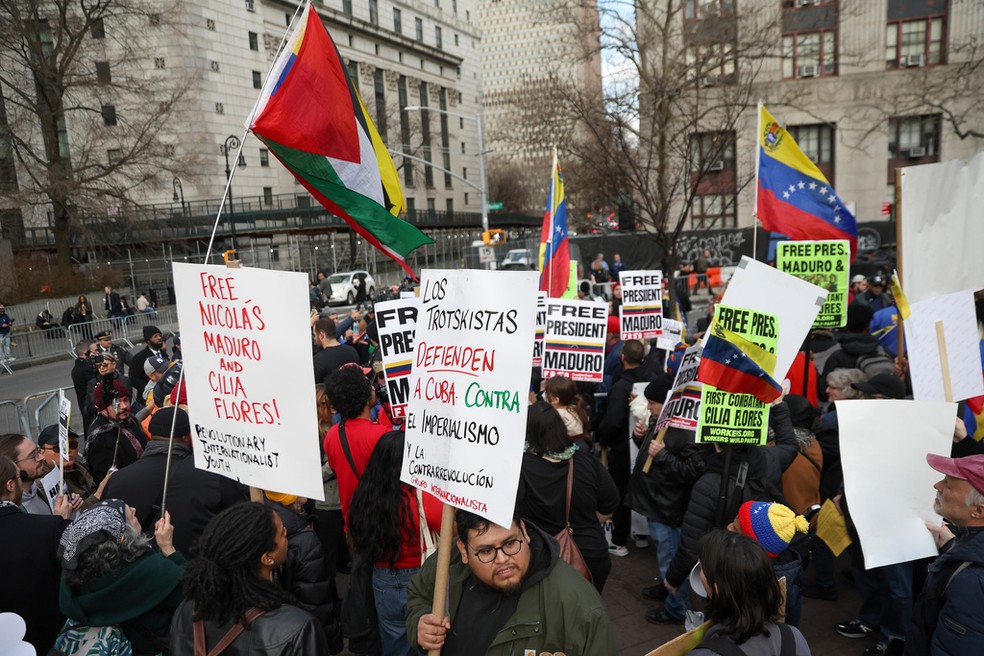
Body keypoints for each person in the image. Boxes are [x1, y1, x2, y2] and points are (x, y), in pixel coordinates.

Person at [406, 509, 617, 655]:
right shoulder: (447, 561)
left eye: (510, 543)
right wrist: (420, 623)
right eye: (486, 551)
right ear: (463, 550)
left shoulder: (579, 604)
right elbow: (419, 595)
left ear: (524, 532)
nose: (502, 559)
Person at [170, 502, 328, 655]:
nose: (286, 533)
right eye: (281, 533)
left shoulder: (188, 609)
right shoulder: (297, 629)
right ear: (267, 557)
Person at [103, 407, 249, 555]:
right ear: (186, 437)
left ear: (152, 435)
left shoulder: (117, 480)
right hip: (197, 569)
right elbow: (244, 519)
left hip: (138, 571)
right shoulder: (214, 475)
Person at [348, 431, 442, 655]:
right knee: (425, 638)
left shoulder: (366, 495)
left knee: (393, 638)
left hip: (382, 577)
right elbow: (445, 525)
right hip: (419, 576)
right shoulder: (421, 497)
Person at [627, 376, 708, 622]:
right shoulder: (664, 420)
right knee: (666, 554)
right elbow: (653, 448)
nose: (648, 406)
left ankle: (677, 607)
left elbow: (694, 471)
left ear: (667, 403)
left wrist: (662, 455)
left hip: (668, 507)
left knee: (670, 556)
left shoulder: (686, 431)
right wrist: (640, 437)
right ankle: (667, 588)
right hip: (657, 502)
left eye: (653, 402)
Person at [58, 500, 184, 653]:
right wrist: (169, 549)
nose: (134, 508)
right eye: (130, 514)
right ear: (123, 538)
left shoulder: (75, 580)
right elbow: (196, 596)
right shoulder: (155, 571)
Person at [518, 402, 620, 591]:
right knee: (588, 614)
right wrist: (586, 518)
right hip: (591, 555)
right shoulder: (586, 460)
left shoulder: (519, 467)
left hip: (541, 558)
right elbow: (610, 505)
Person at [905, 453, 984, 655]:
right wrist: (952, 545)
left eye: (948, 485)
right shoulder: (969, 551)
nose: (937, 486)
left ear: (978, 510)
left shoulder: (971, 581)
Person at [686, 530, 811, 656]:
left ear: (717, 589)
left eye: (702, 568)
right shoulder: (792, 637)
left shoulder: (704, 654)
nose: (699, 571)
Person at [0, 455, 71, 653]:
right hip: (49, 640)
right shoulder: (50, 528)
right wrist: (62, 523)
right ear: (11, 485)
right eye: (19, 477)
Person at [264, 491, 342, 652]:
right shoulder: (303, 539)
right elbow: (316, 604)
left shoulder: (260, 519)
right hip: (302, 639)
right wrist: (329, 644)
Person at [599, 339, 655, 556]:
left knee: (620, 494)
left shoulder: (621, 386)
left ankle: (619, 540)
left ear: (622, 356)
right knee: (643, 487)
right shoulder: (652, 379)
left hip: (623, 449)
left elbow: (612, 421)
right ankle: (642, 535)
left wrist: (604, 438)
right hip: (647, 446)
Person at [323, 364, 391, 526]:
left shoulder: (332, 435)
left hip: (354, 523)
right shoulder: (382, 435)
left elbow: (335, 467)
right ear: (366, 395)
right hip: (383, 522)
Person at [727, 500, 810, 628]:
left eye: (736, 529)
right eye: (734, 520)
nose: (729, 527)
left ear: (755, 549)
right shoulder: (786, 566)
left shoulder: (762, 588)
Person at [0, 433, 82, 517]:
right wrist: (60, 520)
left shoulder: (40, 490)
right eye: (33, 456)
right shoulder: (11, 512)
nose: (41, 457)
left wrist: (70, 504)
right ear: (13, 465)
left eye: (37, 451)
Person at [84, 378, 147, 482]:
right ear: (102, 407)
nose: (124, 406)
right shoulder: (100, 439)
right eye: (116, 403)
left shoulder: (131, 421)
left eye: (126, 400)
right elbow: (108, 481)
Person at [37, 424, 109, 509]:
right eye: (59, 447)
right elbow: (69, 517)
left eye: (72, 445)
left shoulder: (80, 467)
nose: (66, 451)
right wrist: (98, 494)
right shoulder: (44, 485)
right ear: (42, 453)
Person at [543, 375, 592, 447]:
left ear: (556, 400)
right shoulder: (576, 409)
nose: (544, 395)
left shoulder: (556, 414)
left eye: (546, 393)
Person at [312, 317, 359, 386]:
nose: (315, 339)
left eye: (315, 335)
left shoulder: (317, 360)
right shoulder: (352, 351)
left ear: (322, 335)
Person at [129, 325, 168, 401]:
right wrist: (150, 387)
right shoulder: (139, 357)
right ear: (148, 340)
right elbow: (134, 379)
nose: (159, 338)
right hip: (148, 398)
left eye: (160, 335)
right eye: (155, 336)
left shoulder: (163, 353)